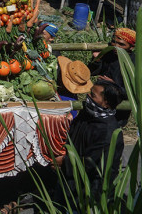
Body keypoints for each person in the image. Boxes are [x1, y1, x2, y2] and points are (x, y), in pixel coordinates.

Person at [51, 79, 125, 211]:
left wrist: (64, 162)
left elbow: (92, 164)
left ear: (106, 103)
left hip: (86, 191)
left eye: (93, 95)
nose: (88, 97)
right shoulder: (88, 114)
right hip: (69, 181)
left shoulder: (108, 133)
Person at [88, 27, 136, 127]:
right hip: (97, 102)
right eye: (114, 42)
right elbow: (91, 72)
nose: (116, 46)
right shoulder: (109, 55)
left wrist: (114, 86)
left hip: (118, 109)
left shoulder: (134, 63)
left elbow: (134, 92)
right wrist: (97, 59)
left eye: (121, 44)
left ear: (131, 47)